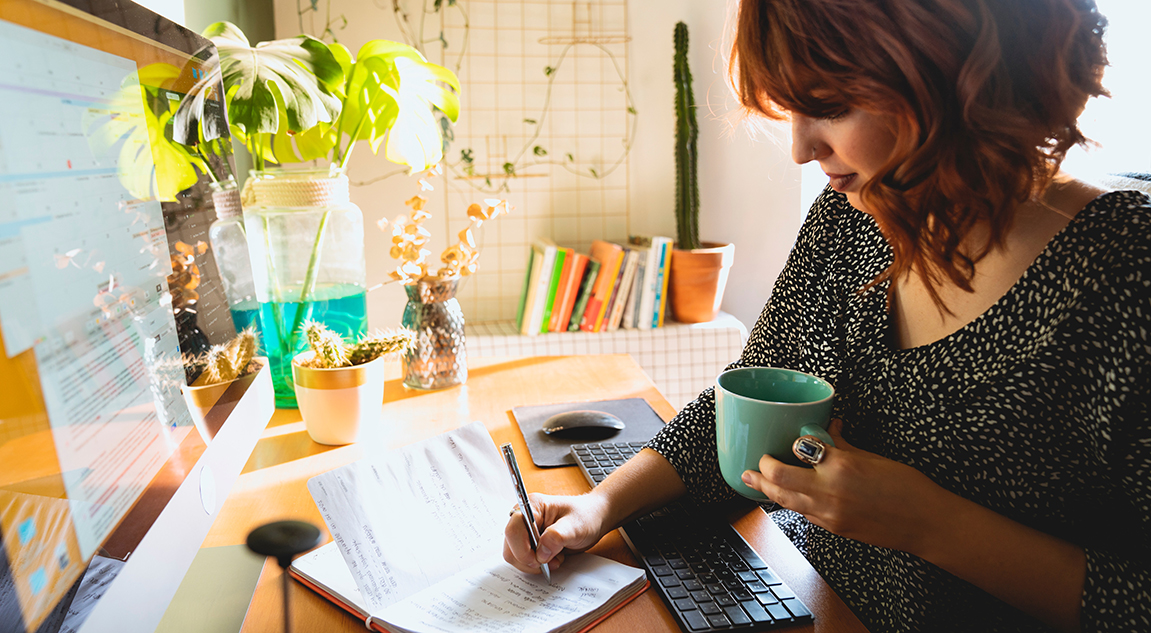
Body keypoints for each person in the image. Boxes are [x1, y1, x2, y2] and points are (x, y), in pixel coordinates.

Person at [503, 0, 1150, 631]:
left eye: (830, 106)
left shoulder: (1124, 275)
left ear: (956, 75)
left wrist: (929, 523)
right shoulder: (851, 214)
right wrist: (598, 505)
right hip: (788, 587)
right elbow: (747, 396)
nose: (799, 148)